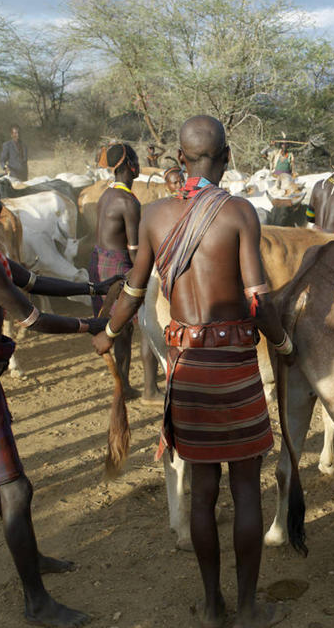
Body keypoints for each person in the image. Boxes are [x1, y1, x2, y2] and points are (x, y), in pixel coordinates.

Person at [93, 115, 292, 628]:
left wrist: (106, 334)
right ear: (226, 159)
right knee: (247, 487)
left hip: (188, 366)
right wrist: (284, 343)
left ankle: (211, 607)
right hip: (236, 366)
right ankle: (248, 609)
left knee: (202, 493)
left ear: (180, 161)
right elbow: (258, 298)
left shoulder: (155, 216)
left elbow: (134, 294)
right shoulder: (240, 212)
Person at [0, 171, 115, 627]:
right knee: (16, 489)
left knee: (12, 484)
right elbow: (31, 318)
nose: (2, 209)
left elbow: (31, 279)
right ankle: (36, 601)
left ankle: (31, 559)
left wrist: (89, 289)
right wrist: (89, 326)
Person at [89, 144, 160, 402]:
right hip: (119, 265)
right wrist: (151, 271)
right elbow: (133, 251)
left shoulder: (108, 194)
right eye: (136, 160)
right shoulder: (128, 201)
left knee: (113, 324)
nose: (139, 164)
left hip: (101, 260)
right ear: (128, 164)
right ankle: (125, 384)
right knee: (124, 325)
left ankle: (123, 380)